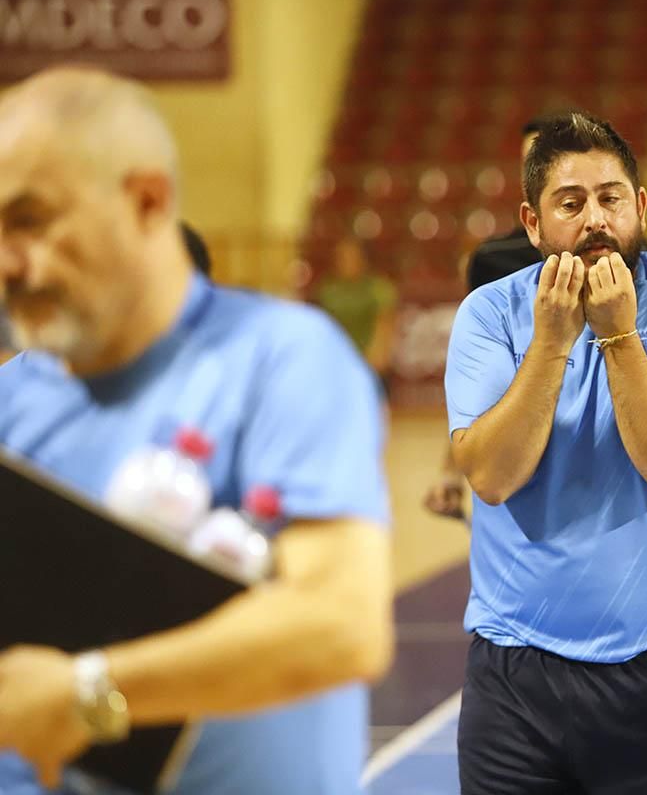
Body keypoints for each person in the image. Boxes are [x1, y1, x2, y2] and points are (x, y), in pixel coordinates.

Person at [0, 67, 394, 794]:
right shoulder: (10, 403)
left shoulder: (280, 359)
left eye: (29, 220)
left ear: (147, 200)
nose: (7, 263)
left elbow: (342, 624)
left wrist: (88, 694)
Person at [444, 111, 647, 794]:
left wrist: (618, 337)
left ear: (638, 206)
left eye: (610, 198)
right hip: (515, 668)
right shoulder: (490, 315)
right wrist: (551, 342)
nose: (595, 220)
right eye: (570, 203)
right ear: (532, 223)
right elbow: (490, 477)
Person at [425, 114, 647, 520]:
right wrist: (451, 470)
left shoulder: (633, 253)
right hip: (519, 437)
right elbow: (475, 378)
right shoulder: (492, 261)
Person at [316, 236, 397, 391]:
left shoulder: (379, 288)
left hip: (369, 364)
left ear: (363, 259)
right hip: (336, 363)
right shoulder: (327, 290)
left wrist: (373, 361)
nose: (347, 262)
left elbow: (385, 326)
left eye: (352, 256)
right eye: (342, 257)